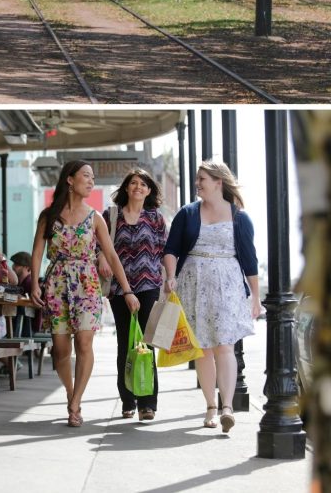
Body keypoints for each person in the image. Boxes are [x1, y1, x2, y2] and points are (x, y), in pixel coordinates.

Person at [30, 160, 140, 427]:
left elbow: (112, 257)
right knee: (60, 350)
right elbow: (37, 252)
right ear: (70, 179)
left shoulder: (95, 218)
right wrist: (35, 283)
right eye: (86, 176)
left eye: (92, 178)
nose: (91, 182)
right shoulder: (48, 216)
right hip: (56, 284)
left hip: (87, 284)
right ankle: (70, 391)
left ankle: (76, 402)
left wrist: (126, 290)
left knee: (84, 344)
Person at [163, 161, 260, 432]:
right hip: (193, 285)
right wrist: (171, 276)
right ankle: (211, 407)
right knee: (203, 348)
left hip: (227, 286)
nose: (198, 183)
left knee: (225, 345)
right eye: (197, 179)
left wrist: (255, 297)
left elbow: (250, 260)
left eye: (202, 178)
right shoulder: (187, 213)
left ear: (219, 182)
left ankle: (227, 406)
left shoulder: (240, 218)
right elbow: (171, 250)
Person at [98, 168, 168, 421]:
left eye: (143, 184)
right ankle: (128, 400)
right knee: (125, 344)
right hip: (119, 288)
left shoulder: (156, 218)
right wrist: (101, 257)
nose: (138, 187)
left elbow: (164, 250)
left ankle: (147, 404)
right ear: (126, 188)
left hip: (149, 287)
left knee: (146, 344)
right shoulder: (111, 215)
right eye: (134, 183)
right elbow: (99, 244)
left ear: (149, 191)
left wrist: (170, 279)